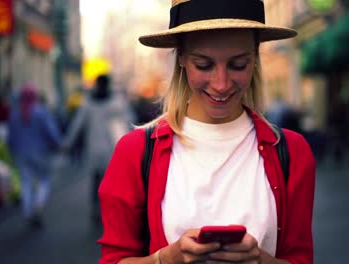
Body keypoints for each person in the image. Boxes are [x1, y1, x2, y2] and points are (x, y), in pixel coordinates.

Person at [98, 0, 316, 263]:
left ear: (256, 58)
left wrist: (260, 259)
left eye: (238, 65)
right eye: (203, 65)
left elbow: (300, 258)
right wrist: (168, 257)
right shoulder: (135, 151)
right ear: (180, 57)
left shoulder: (292, 152)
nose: (221, 84)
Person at [62, 74, 135, 222]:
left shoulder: (89, 103)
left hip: (98, 147)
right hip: (110, 148)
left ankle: (99, 207)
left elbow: (77, 124)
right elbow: (130, 122)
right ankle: (104, 208)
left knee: (98, 180)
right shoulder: (116, 102)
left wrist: (68, 143)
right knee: (107, 180)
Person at [7, 81, 62, 228]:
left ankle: (28, 212)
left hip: (21, 154)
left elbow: (10, 137)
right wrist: (58, 144)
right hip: (41, 153)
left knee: (26, 183)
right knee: (44, 181)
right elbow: (50, 132)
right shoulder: (41, 112)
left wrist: (11, 151)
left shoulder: (14, 114)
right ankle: (39, 204)